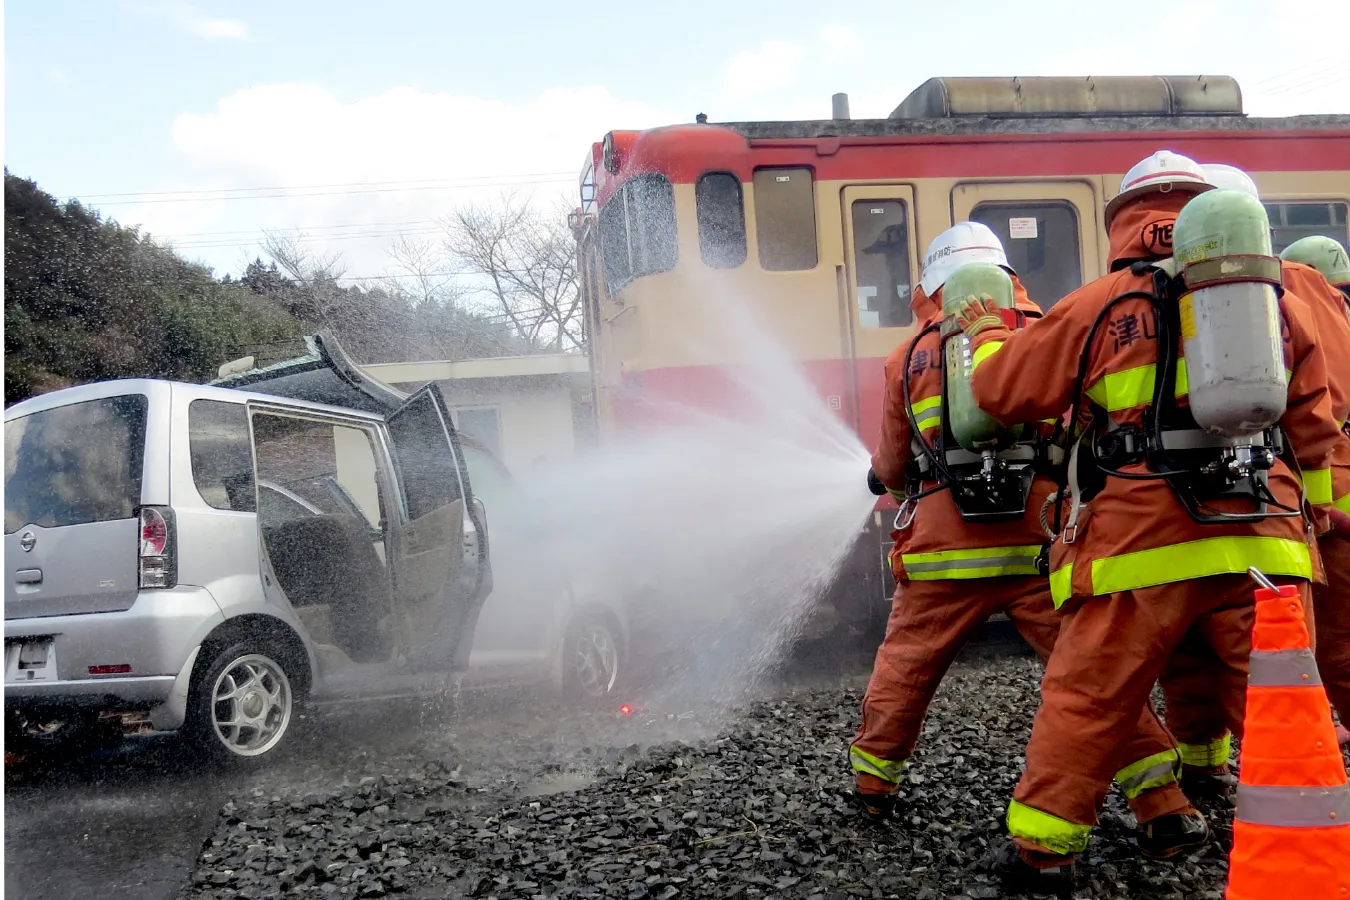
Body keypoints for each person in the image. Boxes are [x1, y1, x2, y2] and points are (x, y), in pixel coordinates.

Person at [952, 149, 1343, 890]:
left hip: (1140, 542)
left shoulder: (1099, 304)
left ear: (1123, 223)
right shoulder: (1275, 300)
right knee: (1281, 704)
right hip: (1265, 537)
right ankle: (1317, 851)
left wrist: (988, 338)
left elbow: (1001, 393)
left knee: (1089, 696)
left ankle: (1045, 853)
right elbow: (1316, 422)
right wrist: (1312, 511)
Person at [851, 222, 1199, 883]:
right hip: (1040, 545)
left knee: (904, 672)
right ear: (1009, 278)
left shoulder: (909, 357)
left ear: (931, 287)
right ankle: (1162, 804)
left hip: (941, 558)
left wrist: (898, 487)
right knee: (1094, 681)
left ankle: (872, 786)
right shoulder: (1049, 332)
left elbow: (894, 467)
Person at [1160, 165, 1350, 782]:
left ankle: (1205, 764)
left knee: (1189, 646)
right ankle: (1303, 783)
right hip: (1281, 498)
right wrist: (1316, 504)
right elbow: (1327, 404)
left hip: (1175, 502)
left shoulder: (1146, 290)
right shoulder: (1303, 286)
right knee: (1285, 656)